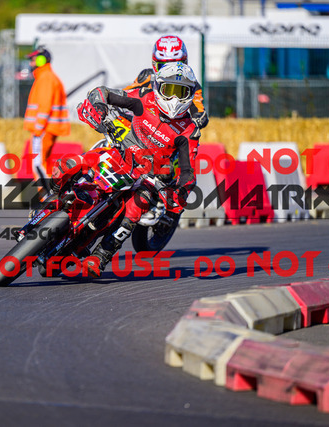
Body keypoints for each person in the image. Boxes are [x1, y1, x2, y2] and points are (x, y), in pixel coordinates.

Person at [76, 62, 200, 278]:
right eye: (169, 90)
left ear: (190, 95)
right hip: (120, 151)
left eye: (181, 92)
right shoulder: (144, 97)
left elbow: (187, 170)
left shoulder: (190, 129)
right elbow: (104, 93)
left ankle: (101, 255)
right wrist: (100, 106)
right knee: (79, 163)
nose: (174, 98)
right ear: (158, 87)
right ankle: (54, 197)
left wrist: (180, 191)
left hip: (148, 174)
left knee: (138, 206)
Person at [123, 35, 209, 130]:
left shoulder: (190, 84)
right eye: (163, 66)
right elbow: (124, 94)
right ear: (154, 63)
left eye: (175, 64)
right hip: (142, 128)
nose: (169, 72)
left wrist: (191, 123)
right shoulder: (147, 76)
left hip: (171, 133)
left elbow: (200, 113)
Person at [23, 46, 70, 183]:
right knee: (44, 162)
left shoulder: (46, 78)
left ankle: (45, 193)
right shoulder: (46, 77)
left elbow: (44, 106)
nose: (31, 63)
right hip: (47, 128)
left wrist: (38, 128)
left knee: (38, 163)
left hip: (43, 129)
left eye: (33, 59)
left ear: (41, 60)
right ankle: (48, 193)